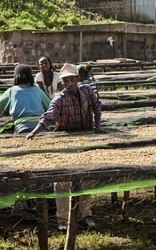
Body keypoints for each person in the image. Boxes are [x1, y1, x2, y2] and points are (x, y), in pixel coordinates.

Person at [26, 63, 102, 230]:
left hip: (85, 139)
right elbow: (48, 117)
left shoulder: (87, 91)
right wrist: (34, 132)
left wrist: (97, 127)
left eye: (72, 80)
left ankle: (85, 214)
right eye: (65, 81)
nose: (69, 83)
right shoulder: (59, 99)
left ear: (77, 79)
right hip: (64, 140)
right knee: (62, 179)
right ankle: (63, 218)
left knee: (87, 177)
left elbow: (97, 107)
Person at [0, 64, 51, 133]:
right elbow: (50, 107)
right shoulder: (37, 90)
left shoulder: (11, 91)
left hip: (22, 128)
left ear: (15, 76)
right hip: (42, 127)